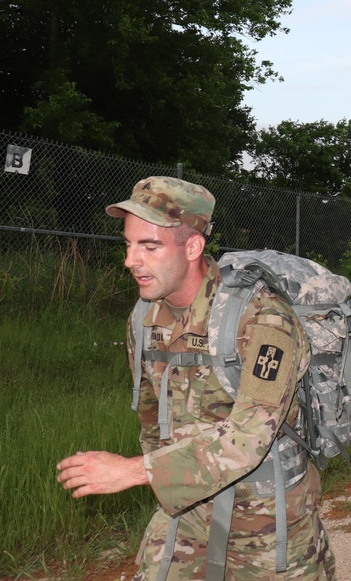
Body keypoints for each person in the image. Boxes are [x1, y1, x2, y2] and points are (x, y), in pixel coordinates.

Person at [56, 176, 335, 579]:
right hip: (186, 508)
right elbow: (151, 415)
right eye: (129, 245)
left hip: (267, 520)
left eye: (149, 247)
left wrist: (136, 471)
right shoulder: (144, 318)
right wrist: (159, 478)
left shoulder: (264, 320)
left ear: (192, 247)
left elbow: (249, 436)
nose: (131, 260)